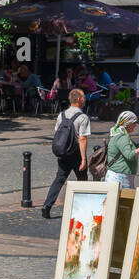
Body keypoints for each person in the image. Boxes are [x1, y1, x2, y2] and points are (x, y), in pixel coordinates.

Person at [41, 87, 90, 218]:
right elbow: (82, 138)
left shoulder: (61, 115)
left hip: (63, 152)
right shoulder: (83, 117)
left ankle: (47, 205)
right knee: (82, 179)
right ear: (79, 99)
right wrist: (84, 159)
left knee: (59, 178)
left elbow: (58, 133)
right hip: (76, 153)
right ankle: (83, 208)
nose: (85, 100)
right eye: (84, 97)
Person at [105, 111, 139, 188]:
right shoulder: (122, 137)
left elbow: (135, 146)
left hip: (121, 176)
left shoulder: (122, 135)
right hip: (119, 178)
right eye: (134, 123)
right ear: (128, 124)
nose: (135, 125)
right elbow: (129, 155)